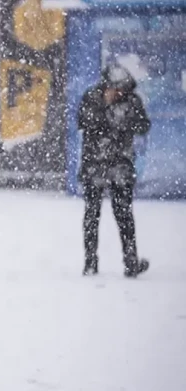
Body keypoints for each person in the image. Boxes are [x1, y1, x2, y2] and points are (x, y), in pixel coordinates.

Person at [78, 65, 151, 277]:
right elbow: (84, 122)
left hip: (121, 165)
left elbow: (143, 125)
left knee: (124, 215)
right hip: (95, 164)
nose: (119, 93)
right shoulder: (92, 98)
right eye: (115, 89)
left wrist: (123, 118)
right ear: (106, 85)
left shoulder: (132, 101)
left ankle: (131, 262)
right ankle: (90, 262)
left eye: (122, 90)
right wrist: (107, 110)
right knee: (92, 215)